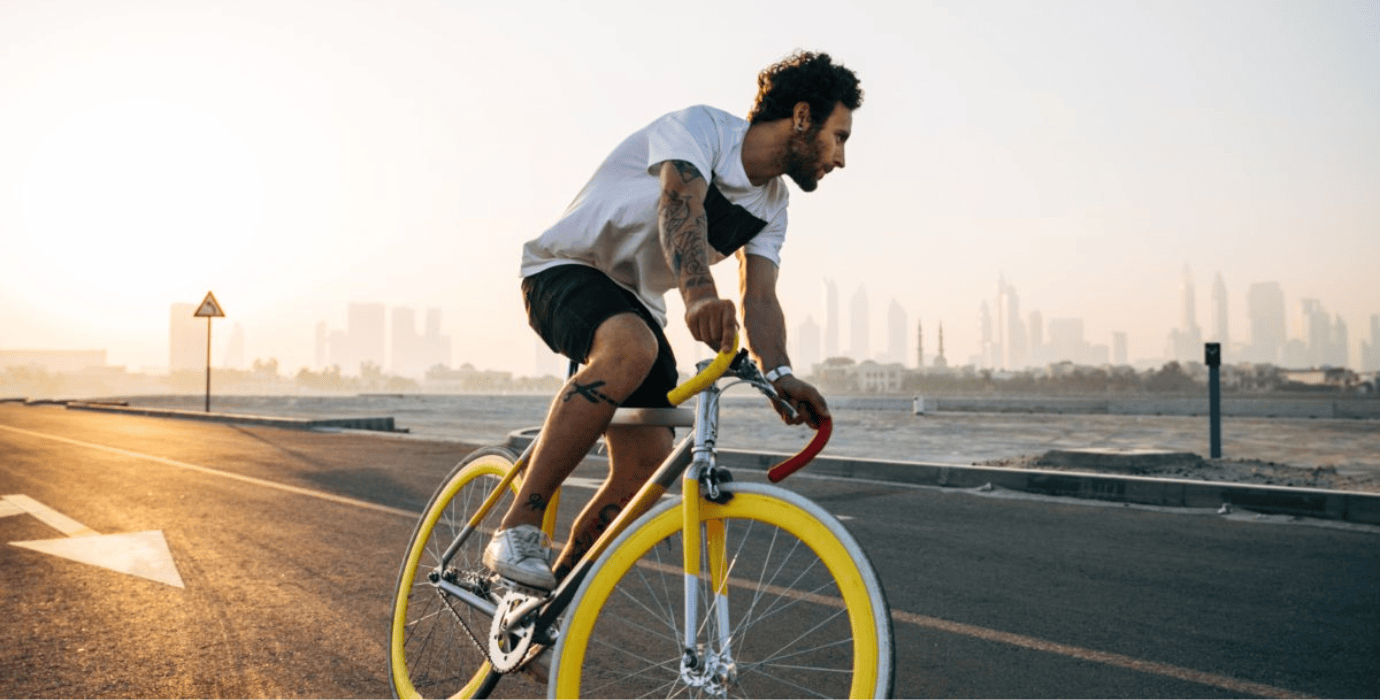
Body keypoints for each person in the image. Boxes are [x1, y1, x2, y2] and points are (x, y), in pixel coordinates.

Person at [485, 50, 863, 590]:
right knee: (632, 349)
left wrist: (779, 376)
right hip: (563, 270)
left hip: (637, 305)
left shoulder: (773, 206)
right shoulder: (702, 129)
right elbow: (679, 204)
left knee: (647, 471)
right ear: (802, 117)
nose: (841, 159)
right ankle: (517, 530)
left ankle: (544, 601)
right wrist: (699, 296)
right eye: (840, 136)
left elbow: (760, 299)